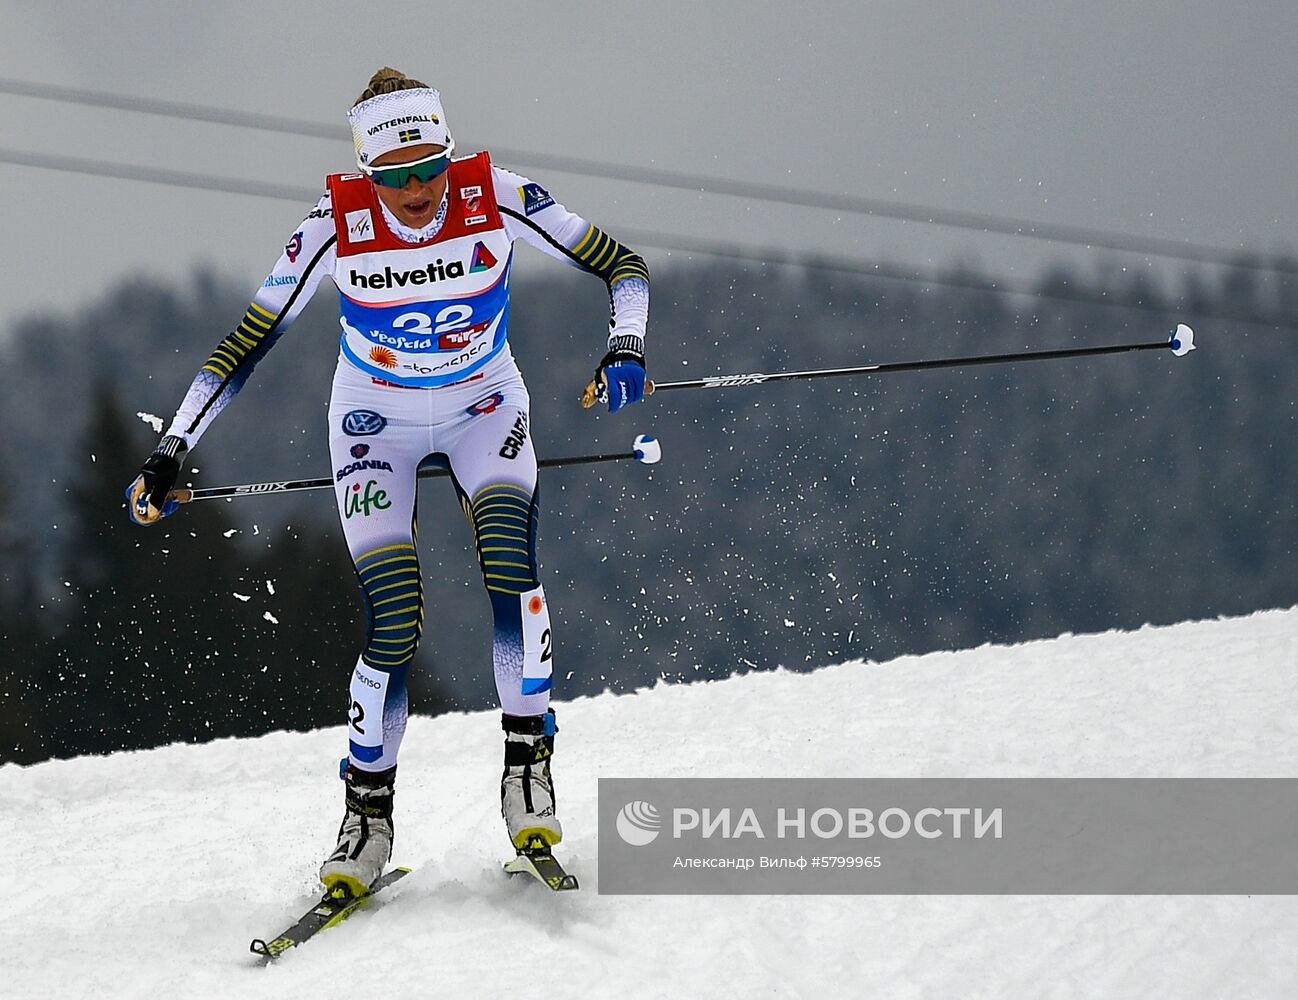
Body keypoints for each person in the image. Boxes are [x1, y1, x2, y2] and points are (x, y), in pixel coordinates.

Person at [125, 67, 650, 895]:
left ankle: (527, 766)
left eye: (428, 168)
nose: (415, 190)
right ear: (368, 175)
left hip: (484, 405)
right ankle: (366, 816)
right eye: (394, 177)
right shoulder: (332, 226)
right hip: (375, 421)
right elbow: (245, 346)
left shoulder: (498, 195)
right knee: (395, 617)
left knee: (511, 567)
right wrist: (172, 446)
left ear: (448, 151)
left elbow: (622, 266)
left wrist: (626, 346)